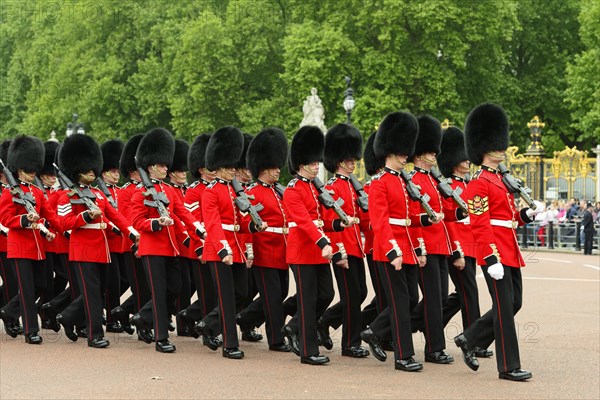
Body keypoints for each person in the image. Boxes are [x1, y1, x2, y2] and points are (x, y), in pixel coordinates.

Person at [454, 103, 545, 381]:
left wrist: (526, 215)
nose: (501, 148)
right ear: (484, 147)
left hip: (509, 249)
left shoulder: (501, 179)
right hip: (495, 252)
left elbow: (507, 219)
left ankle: (470, 338)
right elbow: (480, 224)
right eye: (496, 143)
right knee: (505, 309)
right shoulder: (479, 182)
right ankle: (508, 366)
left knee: (514, 302)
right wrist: (490, 258)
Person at [56, 134, 138, 348]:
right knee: (92, 293)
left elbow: (115, 215)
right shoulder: (68, 196)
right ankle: (95, 335)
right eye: (88, 169)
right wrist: (84, 217)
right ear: (77, 170)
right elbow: (63, 223)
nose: (92, 173)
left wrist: (131, 232)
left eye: (94, 169)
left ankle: (68, 316)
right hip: (82, 250)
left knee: (101, 290)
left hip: (102, 250)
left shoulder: (98, 195)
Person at [129, 128, 205, 353]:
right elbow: (136, 220)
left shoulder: (170, 191)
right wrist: (155, 224)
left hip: (171, 248)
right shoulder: (141, 192)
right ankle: (161, 337)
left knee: (176, 287)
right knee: (160, 293)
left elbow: (183, 213)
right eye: (162, 166)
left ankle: (144, 316)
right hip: (152, 248)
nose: (166, 168)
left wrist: (198, 229)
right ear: (152, 166)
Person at [363, 111, 427, 372]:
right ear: (390, 152)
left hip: (408, 248)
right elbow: (379, 221)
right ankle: (403, 355)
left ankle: (375, 331)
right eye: (402, 153)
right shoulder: (379, 183)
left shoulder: (403, 182)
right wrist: (393, 251)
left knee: (411, 299)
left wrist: (419, 248)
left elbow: (410, 219)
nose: (405, 157)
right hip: (389, 251)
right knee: (400, 303)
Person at [284, 125, 349, 365]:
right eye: (312, 163)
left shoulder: (314, 188)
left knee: (326, 294)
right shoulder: (292, 190)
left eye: (317, 162)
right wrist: (323, 241)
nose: (316, 166)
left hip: (318, 252)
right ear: (301, 164)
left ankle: (293, 326)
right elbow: (303, 221)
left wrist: (339, 226)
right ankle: (308, 351)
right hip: (303, 252)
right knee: (308, 300)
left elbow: (322, 221)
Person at [198, 126, 265, 360]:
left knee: (242, 292)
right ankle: (229, 344)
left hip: (235, 247)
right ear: (217, 167)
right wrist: (223, 249)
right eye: (228, 167)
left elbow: (240, 222)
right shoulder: (211, 192)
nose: (232, 171)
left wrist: (253, 226)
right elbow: (213, 223)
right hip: (220, 249)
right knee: (226, 296)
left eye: (232, 167)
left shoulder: (234, 190)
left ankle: (209, 324)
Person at [436, 126, 492, 358]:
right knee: (469, 293)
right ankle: (473, 340)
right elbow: (448, 222)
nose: (468, 160)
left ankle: (427, 321)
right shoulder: (448, 187)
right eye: (463, 157)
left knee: (462, 295)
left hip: (472, 248)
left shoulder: (469, 185)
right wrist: (456, 252)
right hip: (458, 249)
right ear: (454, 160)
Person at [0, 135, 60, 344]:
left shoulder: (36, 191)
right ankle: (30, 330)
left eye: (35, 171)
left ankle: (9, 311)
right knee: (26, 289)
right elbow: (6, 219)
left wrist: (62, 228)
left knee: (42, 284)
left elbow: (51, 214)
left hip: (38, 246)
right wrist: (25, 219)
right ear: (19, 169)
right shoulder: (9, 193)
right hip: (19, 246)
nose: (33, 174)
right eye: (30, 171)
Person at [319, 123, 370, 358]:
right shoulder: (332, 188)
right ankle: (350, 343)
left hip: (356, 247)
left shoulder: (352, 186)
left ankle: (325, 321)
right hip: (344, 250)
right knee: (351, 296)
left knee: (360, 294)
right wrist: (339, 253)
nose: (353, 163)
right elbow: (331, 223)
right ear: (339, 161)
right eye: (349, 160)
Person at [408, 115, 454, 365]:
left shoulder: (433, 180)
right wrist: (419, 249)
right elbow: (412, 218)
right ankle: (434, 349)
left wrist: (459, 212)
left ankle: (385, 329)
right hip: (426, 246)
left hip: (441, 245)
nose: (434, 156)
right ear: (418, 156)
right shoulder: (414, 181)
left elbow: (442, 212)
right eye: (429, 152)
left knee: (442, 298)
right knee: (435, 300)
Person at [241, 127, 291, 352]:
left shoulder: (278, 191)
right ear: (262, 168)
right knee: (271, 297)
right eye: (274, 167)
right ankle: (276, 339)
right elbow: (247, 224)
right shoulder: (252, 193)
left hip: (282, 249)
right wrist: (250, 251)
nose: (278, 170)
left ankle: (245, 318)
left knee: (280, 293)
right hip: (264, 249)